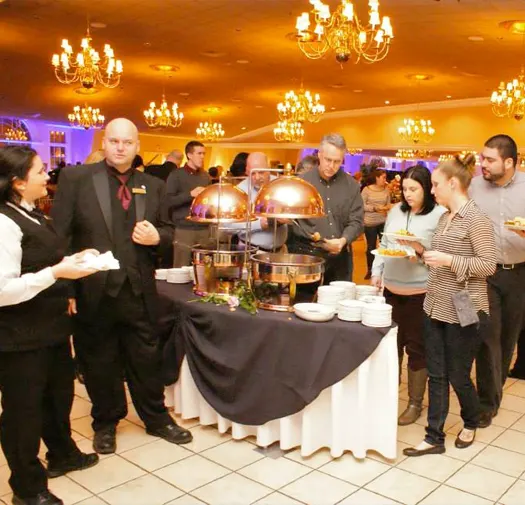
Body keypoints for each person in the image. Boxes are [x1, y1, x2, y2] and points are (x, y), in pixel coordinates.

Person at [51, 118, 192, 456]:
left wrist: (159, 238)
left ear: (137, 146)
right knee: (99, 359)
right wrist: (66, 290)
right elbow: (61, 236)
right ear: (104, 143)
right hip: (92, 290)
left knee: (146, 356)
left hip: (138, 289)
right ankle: (105, 422)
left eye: (126, 142)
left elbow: (170, 231)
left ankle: (157, 419)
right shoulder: (77, 179)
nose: (119, 147)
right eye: (113, 141)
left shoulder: (152, 185)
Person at [0, 146, 100, 505]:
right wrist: (57, 272)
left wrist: (74, 260)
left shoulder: (34, 215)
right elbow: (3, 290)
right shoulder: (3, 223)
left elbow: (46, 258)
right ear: (16, 182)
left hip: (53, 328)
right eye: (40, 171)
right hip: (18, 337)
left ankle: (63, 453)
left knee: (59, 397)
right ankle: (27, 489)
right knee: (23, 412)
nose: (47, 176)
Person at [404, 154, 497, 457]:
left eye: (436, 184)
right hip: (436, 303)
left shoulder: (477, 219)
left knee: (458, 373)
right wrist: (421, 252)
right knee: (437, 373)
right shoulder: (445, 218)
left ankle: (471, 419)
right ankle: (434, 437)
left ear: (453, 183)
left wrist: (447, 260)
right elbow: (441, 259)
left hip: (466, 306)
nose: (432, 190)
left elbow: (487, 265)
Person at [371, 165, 445, 425]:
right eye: (405, 189)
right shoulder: (395, 211)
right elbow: (385, 245)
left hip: (420, 291)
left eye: (414, 189)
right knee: (391, 346)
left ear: (427, 188)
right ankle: (389, 396)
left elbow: (440, 257)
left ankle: (415, 403)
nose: (408, 194)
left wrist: (418, 248)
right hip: (391, 289)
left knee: (417, 347)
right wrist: (376, 272)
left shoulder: (439, 215)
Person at [469, 134, 525, 427]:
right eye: (482, 158)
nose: (483, 165)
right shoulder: (475, 185)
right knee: (486, 336)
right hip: (485, 272)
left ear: (509, 162)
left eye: (489, 160)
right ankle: (485, 403)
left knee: (507, 338)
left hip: (519, 273)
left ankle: (495, 392)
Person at [287, 133, 364, 283]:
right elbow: (290, 221)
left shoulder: (352, 185)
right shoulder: (302, 183)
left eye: (337, 161)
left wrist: (343, 240)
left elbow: (357, 221)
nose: (332, 166)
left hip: (340, 256)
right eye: (328, 160)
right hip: (307, 255)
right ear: (320, 154)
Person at [223, 152, 287, 251]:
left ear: (269, 169)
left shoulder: (281, 185)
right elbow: (227, 226)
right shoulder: (240, 191)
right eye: (253, 173)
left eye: (261, 172)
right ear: (247, 172)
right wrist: (259, 224)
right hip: (250, 252)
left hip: (280, 252)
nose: (257, 177)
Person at [164, 141, 209, 267]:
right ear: (189, 155)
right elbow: (168, 201)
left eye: (203, 154)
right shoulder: (176, 175)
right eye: (199, 153)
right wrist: (190, 194)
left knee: (203, 268)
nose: (202, 157)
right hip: (183, 229)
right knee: (181, 267)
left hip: (204, 228)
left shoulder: (205, 176)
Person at [362, 168, 392, 279]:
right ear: (377, 177)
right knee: (371, 247)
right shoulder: (367, 190)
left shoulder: (386, 190)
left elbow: (388, 204)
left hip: (383, 221)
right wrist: (375, 208)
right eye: (383, 177)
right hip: (370, 222)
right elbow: (361, 205)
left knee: (384, 246)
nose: (385, 180)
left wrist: (386, 209)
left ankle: (383, 269)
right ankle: (370, 270)